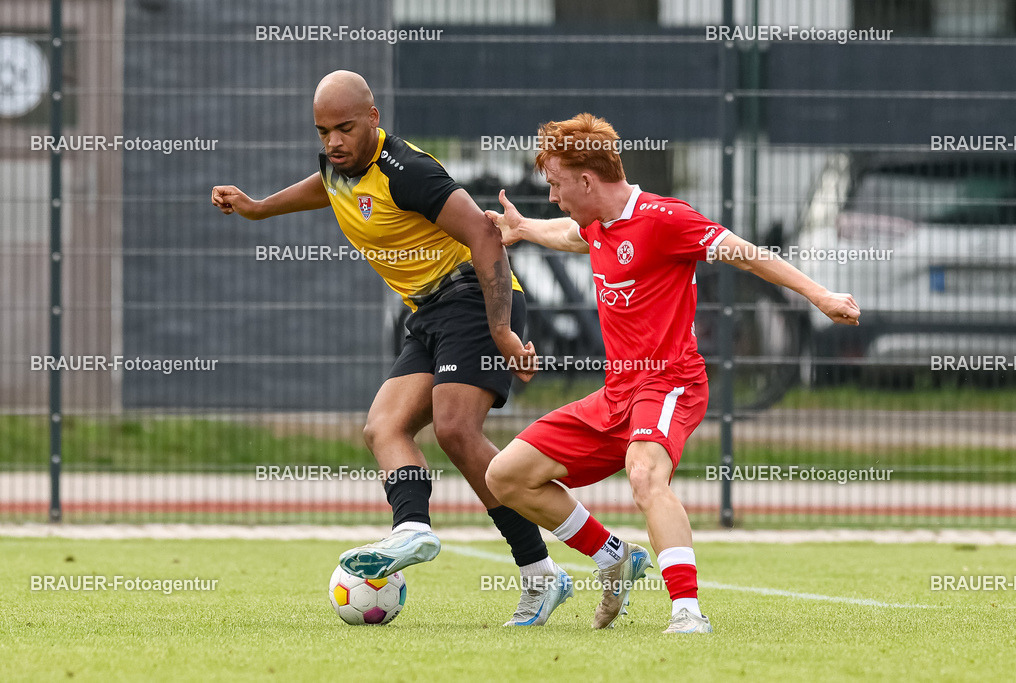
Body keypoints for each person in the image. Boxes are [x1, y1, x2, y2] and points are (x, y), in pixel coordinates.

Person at [211, 71, 573, 626]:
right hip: (429, 314)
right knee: (383, 427)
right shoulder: (338, 168)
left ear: (373, 120)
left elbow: (483, 233)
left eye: (345, 128)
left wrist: (501, 330)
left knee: (456, 430)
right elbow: (324, 186)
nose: (333, 142)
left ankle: (556, 565)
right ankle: (416, 530)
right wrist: (258, 207)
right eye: (323, 131)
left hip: (474, 300)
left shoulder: (408, 172)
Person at [484, 113, 861, 634]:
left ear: (587, 181)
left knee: (644, 475)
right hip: (618, 391)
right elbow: (573, 234)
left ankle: (687, 610)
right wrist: (524, 229)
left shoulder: (665, 219)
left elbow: (746, 256)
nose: (551, 195)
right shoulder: (597, 222)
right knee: (504, 476)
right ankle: (612, 555)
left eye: (555, 184)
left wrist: (820, 295)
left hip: (669, 382)